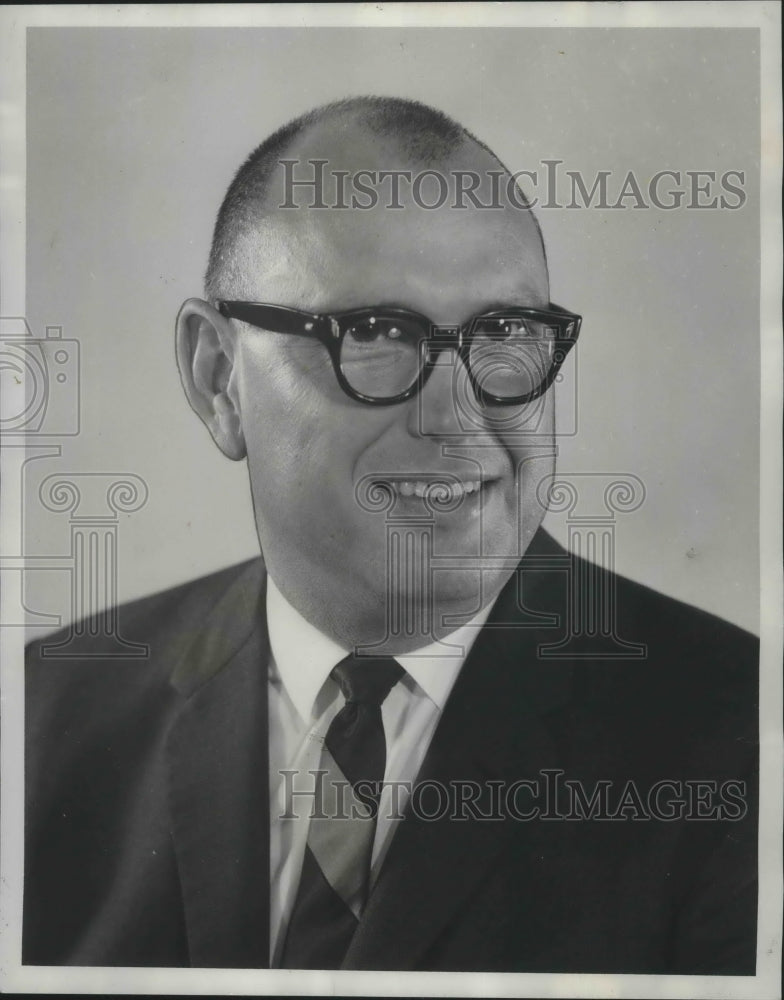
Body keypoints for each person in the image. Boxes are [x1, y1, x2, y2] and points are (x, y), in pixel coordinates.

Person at [24, 96, 758, 973]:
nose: (456, 419)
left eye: (505, 334)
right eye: (375, 334)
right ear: (218, 377)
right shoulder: (39, 722)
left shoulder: (743, 741)